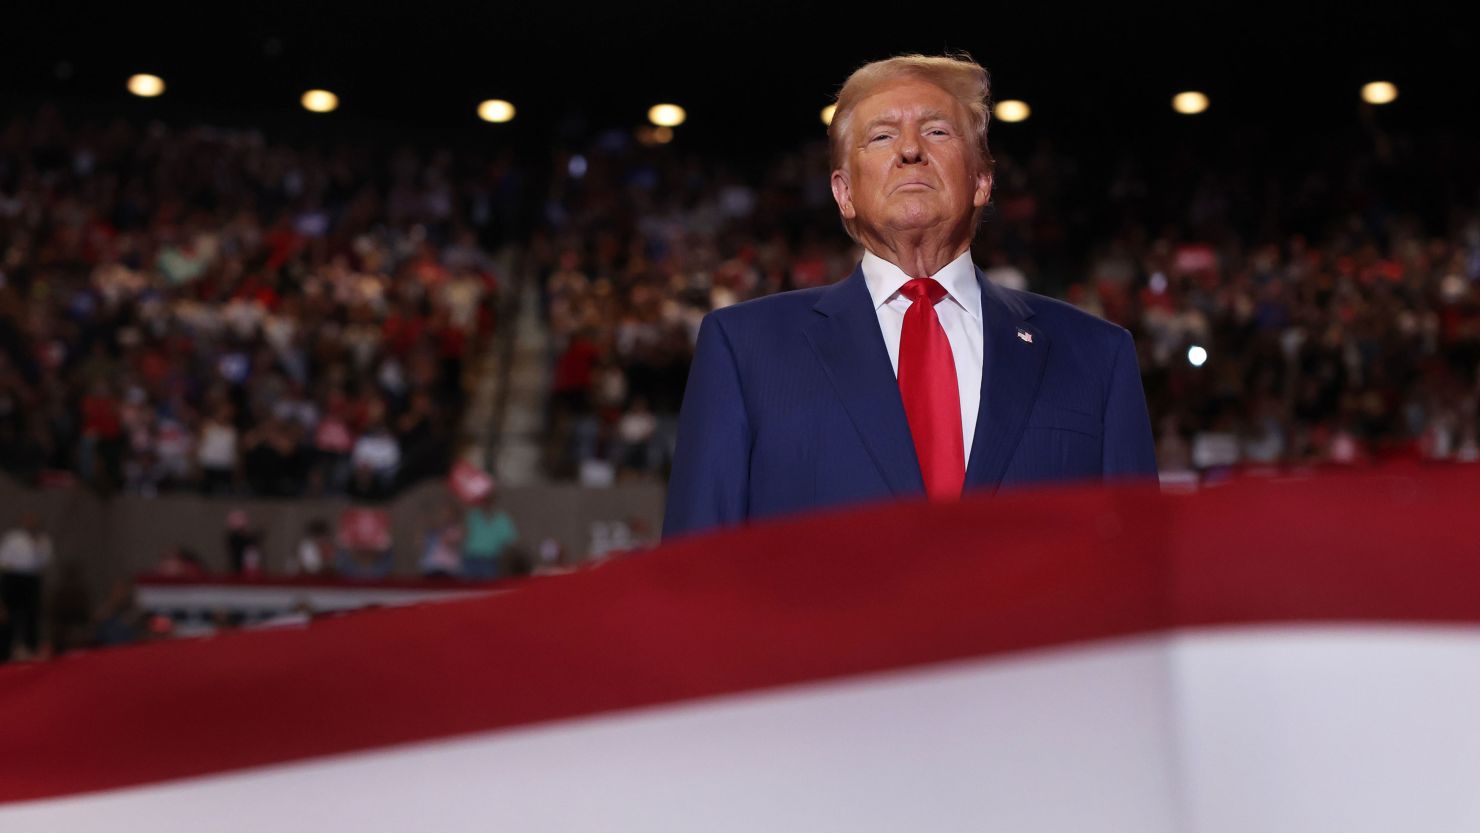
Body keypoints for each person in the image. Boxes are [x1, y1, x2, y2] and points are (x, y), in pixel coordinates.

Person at [663, 53, 1156, 538]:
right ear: (844, 193)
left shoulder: (1095, 356)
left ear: (983, 181)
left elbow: (1138, 568)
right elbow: (693, 575)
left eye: (937, 131)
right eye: (881, 136)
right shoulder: (745, 350)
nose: (910, 150)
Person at [0, 511, 53, 662]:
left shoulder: (43, 540)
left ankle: (31, 648)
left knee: (31, 614)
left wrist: (36, 543)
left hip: (32, 579)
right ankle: (5, 650)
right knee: (8, 615)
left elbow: (45, 562)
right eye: (28, 519)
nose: (31, 523)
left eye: (34, 520)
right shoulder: (13, 538)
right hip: (12, 578)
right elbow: (3, 559)